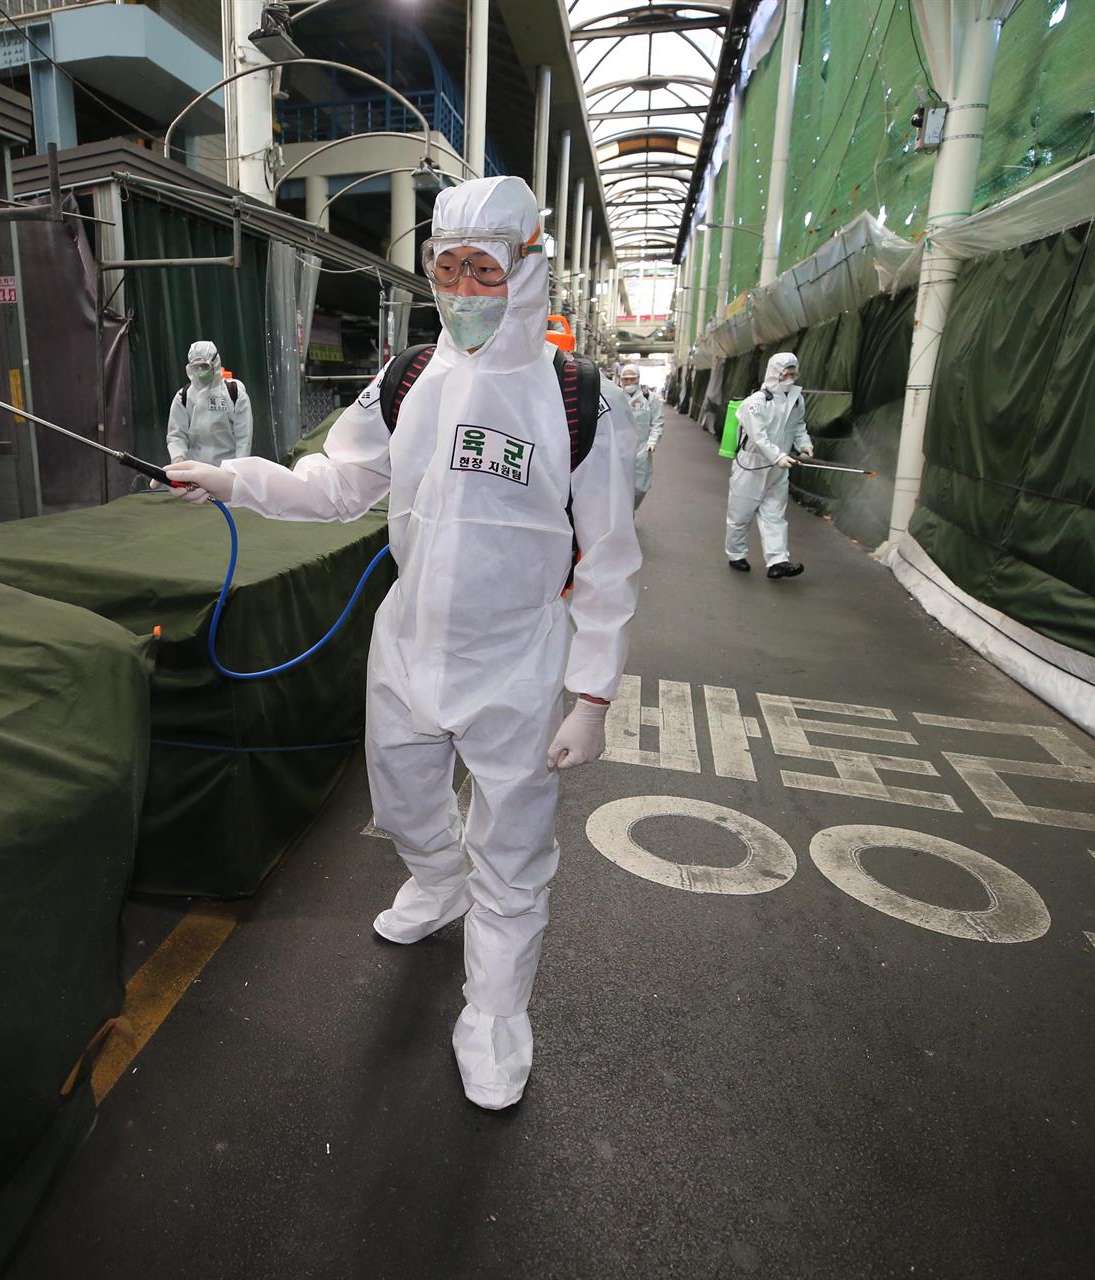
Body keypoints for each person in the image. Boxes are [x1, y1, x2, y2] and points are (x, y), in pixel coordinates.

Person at [163, 176, 641, 1111]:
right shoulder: (410, 377)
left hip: (518, 663)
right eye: (446, 269)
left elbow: (614, 557)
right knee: (405, 797)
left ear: (529, 266)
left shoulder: (580, 398)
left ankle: (496, 1015)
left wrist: (592, 694)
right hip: (409, 645)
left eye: (483, 269)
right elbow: (339, 484)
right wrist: (235, 480)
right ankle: (435, 882)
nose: (461, 290)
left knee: (513, 850)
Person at [725, 351, 809, 579]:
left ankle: (778, 561)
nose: (791, 378)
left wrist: (804, 444)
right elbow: (758, 437)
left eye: (793, 373)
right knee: (740, 515)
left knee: (774, 515)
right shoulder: (755, 403)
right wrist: (778, 456)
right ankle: (736, 554)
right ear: (775, 373)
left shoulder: (796, 399)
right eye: (786, 374)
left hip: (778, 468)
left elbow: (799, 425)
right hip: (751, 465)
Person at [166, 340, 253, 465]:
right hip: (196, 469)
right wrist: (178, 458)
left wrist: (238, 468)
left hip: (227, 467)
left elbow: (244, 437)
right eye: (196, 367)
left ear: (215, 363)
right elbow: (176, 434)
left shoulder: (234, 394)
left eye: (205, 366)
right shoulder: (184, 397)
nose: (201, 371)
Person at [619, 364, 662, 511]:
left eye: (632, 379)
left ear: (638, 379)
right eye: (625, 379)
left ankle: (631, 509)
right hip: (620, 448)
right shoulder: (616, 397)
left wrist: (652, 441)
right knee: (619, 487)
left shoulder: (650, 398)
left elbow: (657, 422)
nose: (628, 383)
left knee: (641, 487)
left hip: (643, 449)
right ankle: (625, 517)